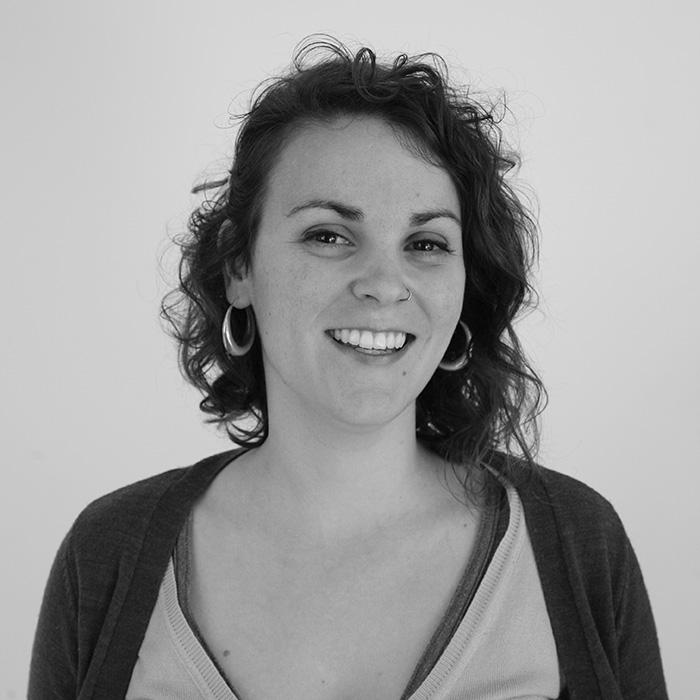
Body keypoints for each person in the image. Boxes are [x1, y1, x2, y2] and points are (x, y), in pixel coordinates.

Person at [29, 38, 667, 699]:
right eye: (329, 235)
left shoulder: (578, 542)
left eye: (426, 243)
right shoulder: (106, 553)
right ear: (240, 264)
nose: (384, 284)